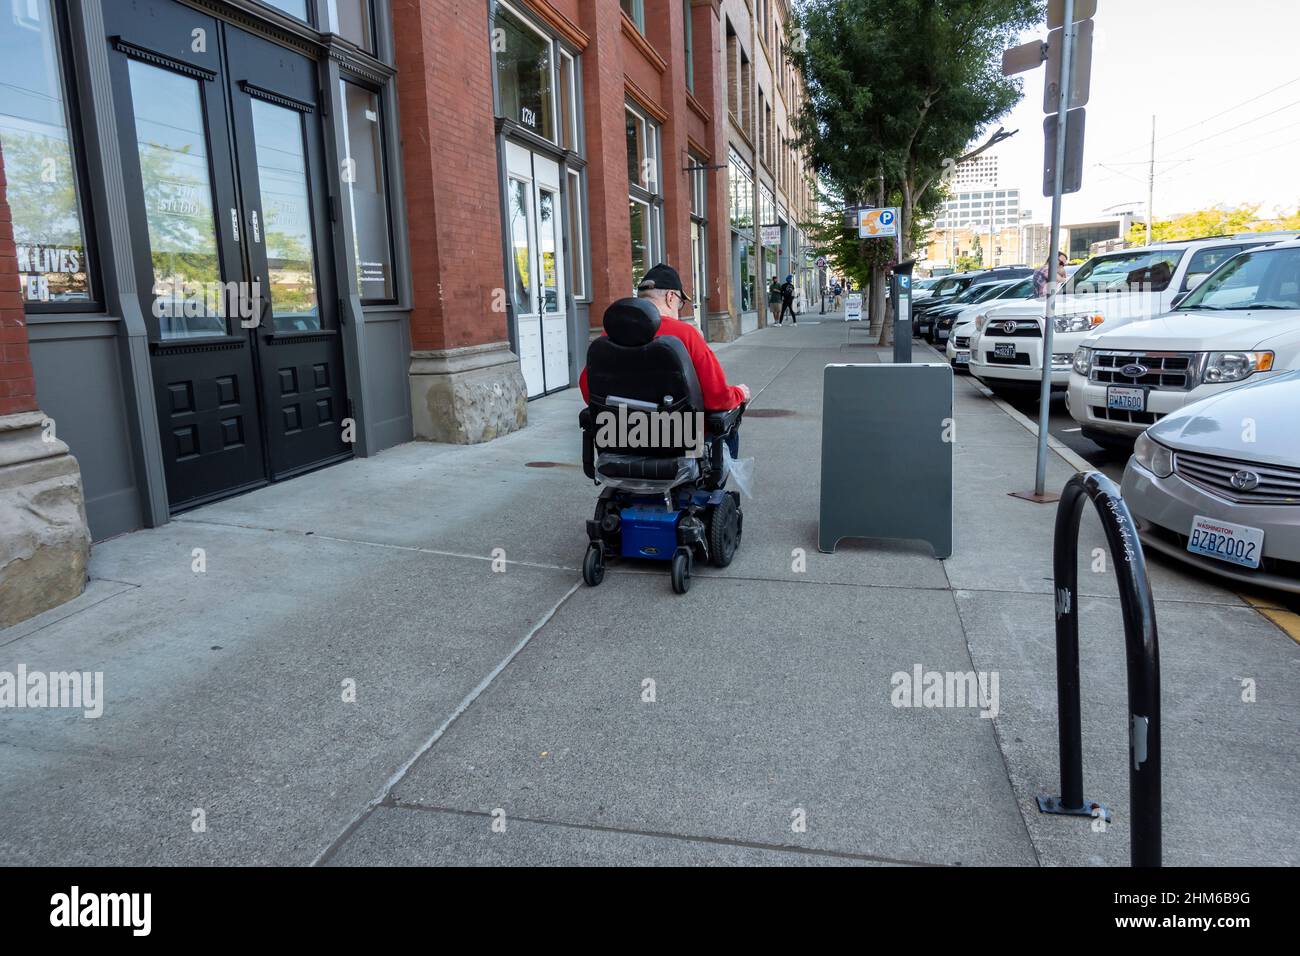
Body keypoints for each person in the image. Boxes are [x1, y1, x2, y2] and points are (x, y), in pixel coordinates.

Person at [579, 263, 750, 455]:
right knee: (728, 425)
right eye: (680, 303)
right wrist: (739, 394)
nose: (679, 309)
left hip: (622, 439)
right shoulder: (685, 334)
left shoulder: (609, 335)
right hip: (681, 442)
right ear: (671, 297)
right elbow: (717, 398)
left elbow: (589, 391)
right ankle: (712, 483)